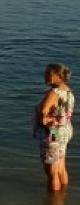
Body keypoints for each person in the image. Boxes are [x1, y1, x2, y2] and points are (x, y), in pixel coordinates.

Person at [34, 63, 74, 191]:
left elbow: (43, 112)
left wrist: (43, 120)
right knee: (61, 167)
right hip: (64, 131)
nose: (45, 76)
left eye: (48, 74)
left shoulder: (54, 93)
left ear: (59, 77)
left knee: (51, 171)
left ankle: (53, 204)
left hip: (52, 135)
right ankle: (63, 195)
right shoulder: (68, 91)